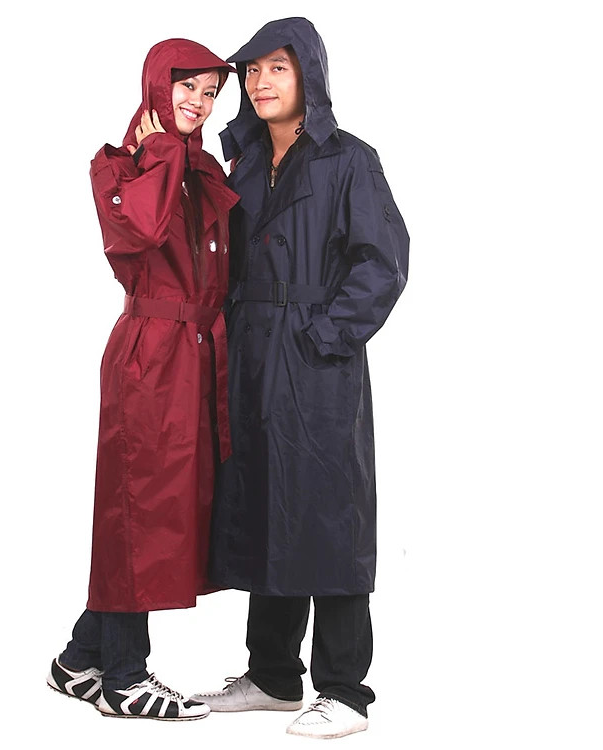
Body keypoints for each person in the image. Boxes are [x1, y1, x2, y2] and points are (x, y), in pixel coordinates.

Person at [191, 17, 410, 739]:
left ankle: (344, 690)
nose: (260, 82)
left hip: (317, 360)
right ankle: (273, 675)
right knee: (266, 503)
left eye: (276, 68)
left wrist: (325, 337)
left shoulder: (348, 159)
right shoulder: (245, 163)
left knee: (329, 513)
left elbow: (383, 262)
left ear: (308, 74)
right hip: (250, 353)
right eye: (251, 71)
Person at [46, 38, 238, 721]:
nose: (198, 102)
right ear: (157, 86)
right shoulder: (120, 166)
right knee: (139, 510)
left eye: (210, 92)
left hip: (196, 352)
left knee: (165, 513)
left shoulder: (199, 167)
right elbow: (141, 233)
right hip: (150, 353)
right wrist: (159, 151)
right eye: (186, 87)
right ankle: (125, 677)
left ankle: (80, 659)